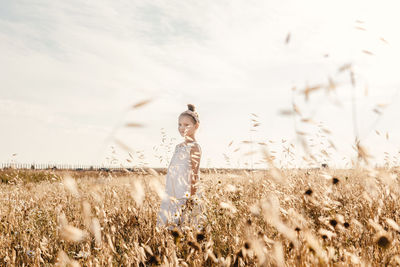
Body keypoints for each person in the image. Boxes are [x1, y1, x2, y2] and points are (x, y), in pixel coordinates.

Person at [157, 104, 203, 229]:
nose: (182, 128)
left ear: (196, 126)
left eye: (186, 125)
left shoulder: (194, 147)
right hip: (172, 191)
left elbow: (194, 174)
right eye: (179, 124)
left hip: (185, 193)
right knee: (168, 225)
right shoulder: (178, 147)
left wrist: (191, 197)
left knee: (185, 225)